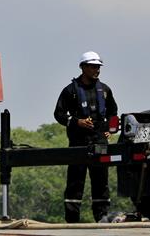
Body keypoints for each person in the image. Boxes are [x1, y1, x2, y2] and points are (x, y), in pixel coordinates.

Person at [53, 51, 118, 223]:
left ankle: (102, 217)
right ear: (83, 67)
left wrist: (110, 130)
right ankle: (72, 220)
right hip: (78, 143)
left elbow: (113, 113)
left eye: (98, 67)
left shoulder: (105, 90)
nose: (97, 70)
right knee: (75, 181)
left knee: (101, 181)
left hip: (99, 142)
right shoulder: (70, 91)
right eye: (93, 66)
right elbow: (59, 114)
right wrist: (77, 122)